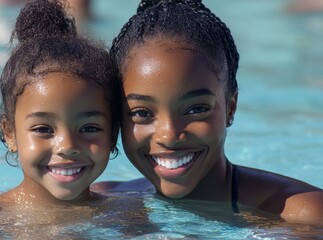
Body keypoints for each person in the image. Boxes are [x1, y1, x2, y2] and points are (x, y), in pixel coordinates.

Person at [0, 0, 159, 237]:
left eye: (89, 128)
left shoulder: (126, 213)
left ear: (112, 134)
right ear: (10, 133)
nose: (67, 146)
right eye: (43, 129)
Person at [91, 0, 323, 224]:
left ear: (231, 107)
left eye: (196, 109)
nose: (169, 135)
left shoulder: (302, 214)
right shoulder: (102, 201)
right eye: (142, 113)